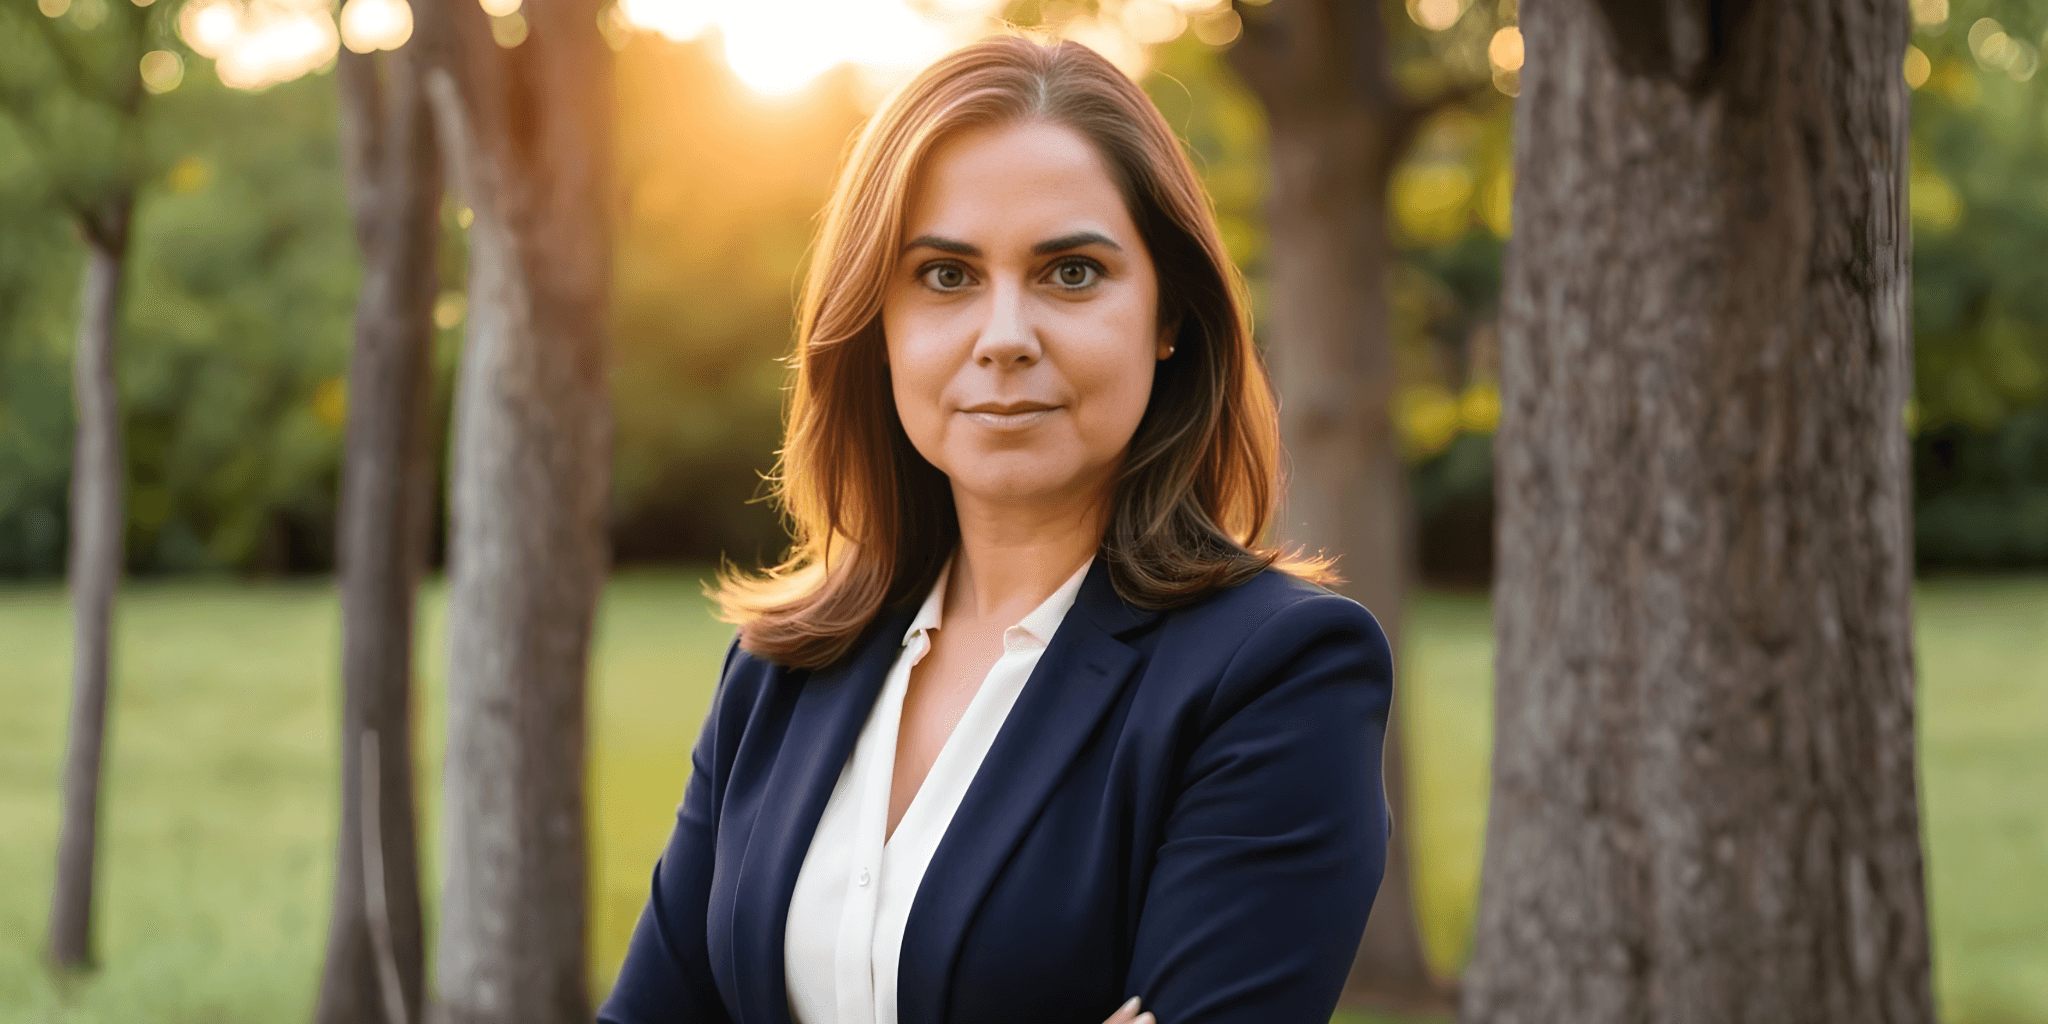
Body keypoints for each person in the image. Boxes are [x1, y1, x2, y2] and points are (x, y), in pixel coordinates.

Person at [599, 34, 1393, 1024]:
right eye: (945, 275)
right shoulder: (779, 670)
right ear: (877, 322)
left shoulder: (1277, 674)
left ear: (1169, 316)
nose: (1005, 337)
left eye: (1071, 272)